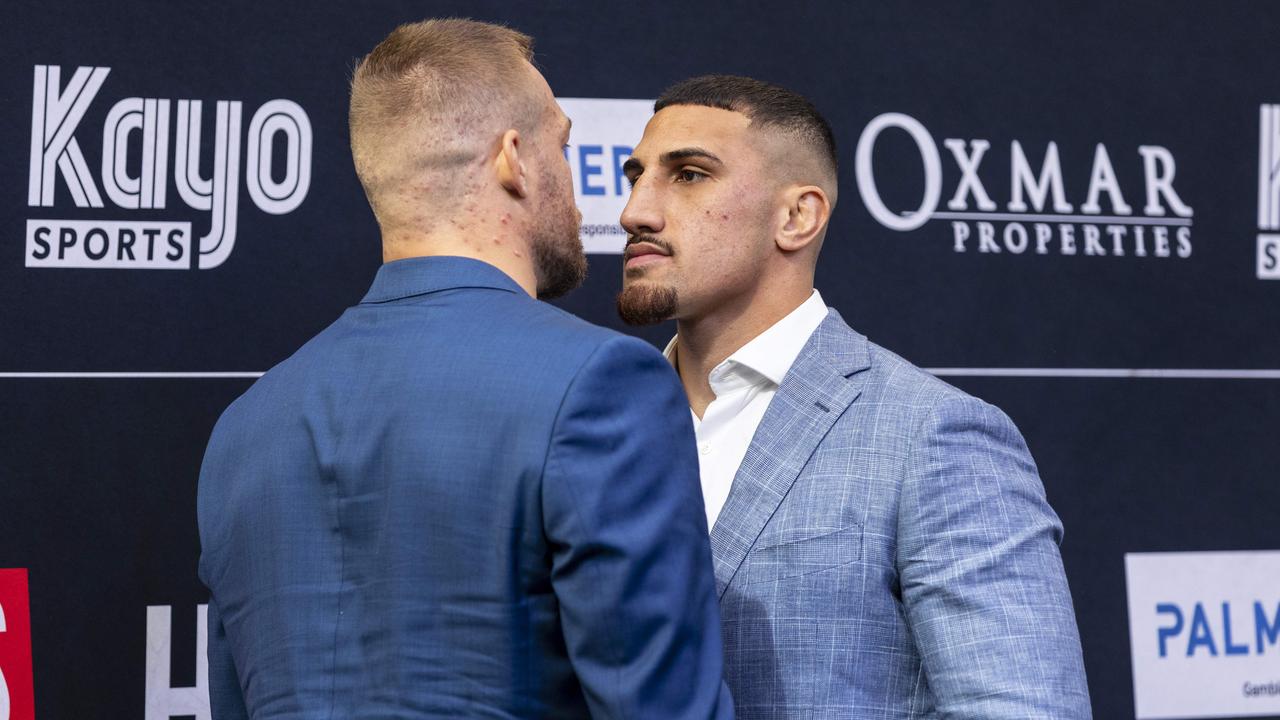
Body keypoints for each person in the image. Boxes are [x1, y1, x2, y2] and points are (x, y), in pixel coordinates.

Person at [197, 20, 732, 719]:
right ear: (514, 158)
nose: (585, 195)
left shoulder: (243, 430)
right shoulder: (603, 384)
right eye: (564, 148)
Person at [617, 74, 1091, 718]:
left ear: (797, 216)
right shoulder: (603, 421)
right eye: (635, 176)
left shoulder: (932, 434)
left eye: (690, 175)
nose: (635, 212)